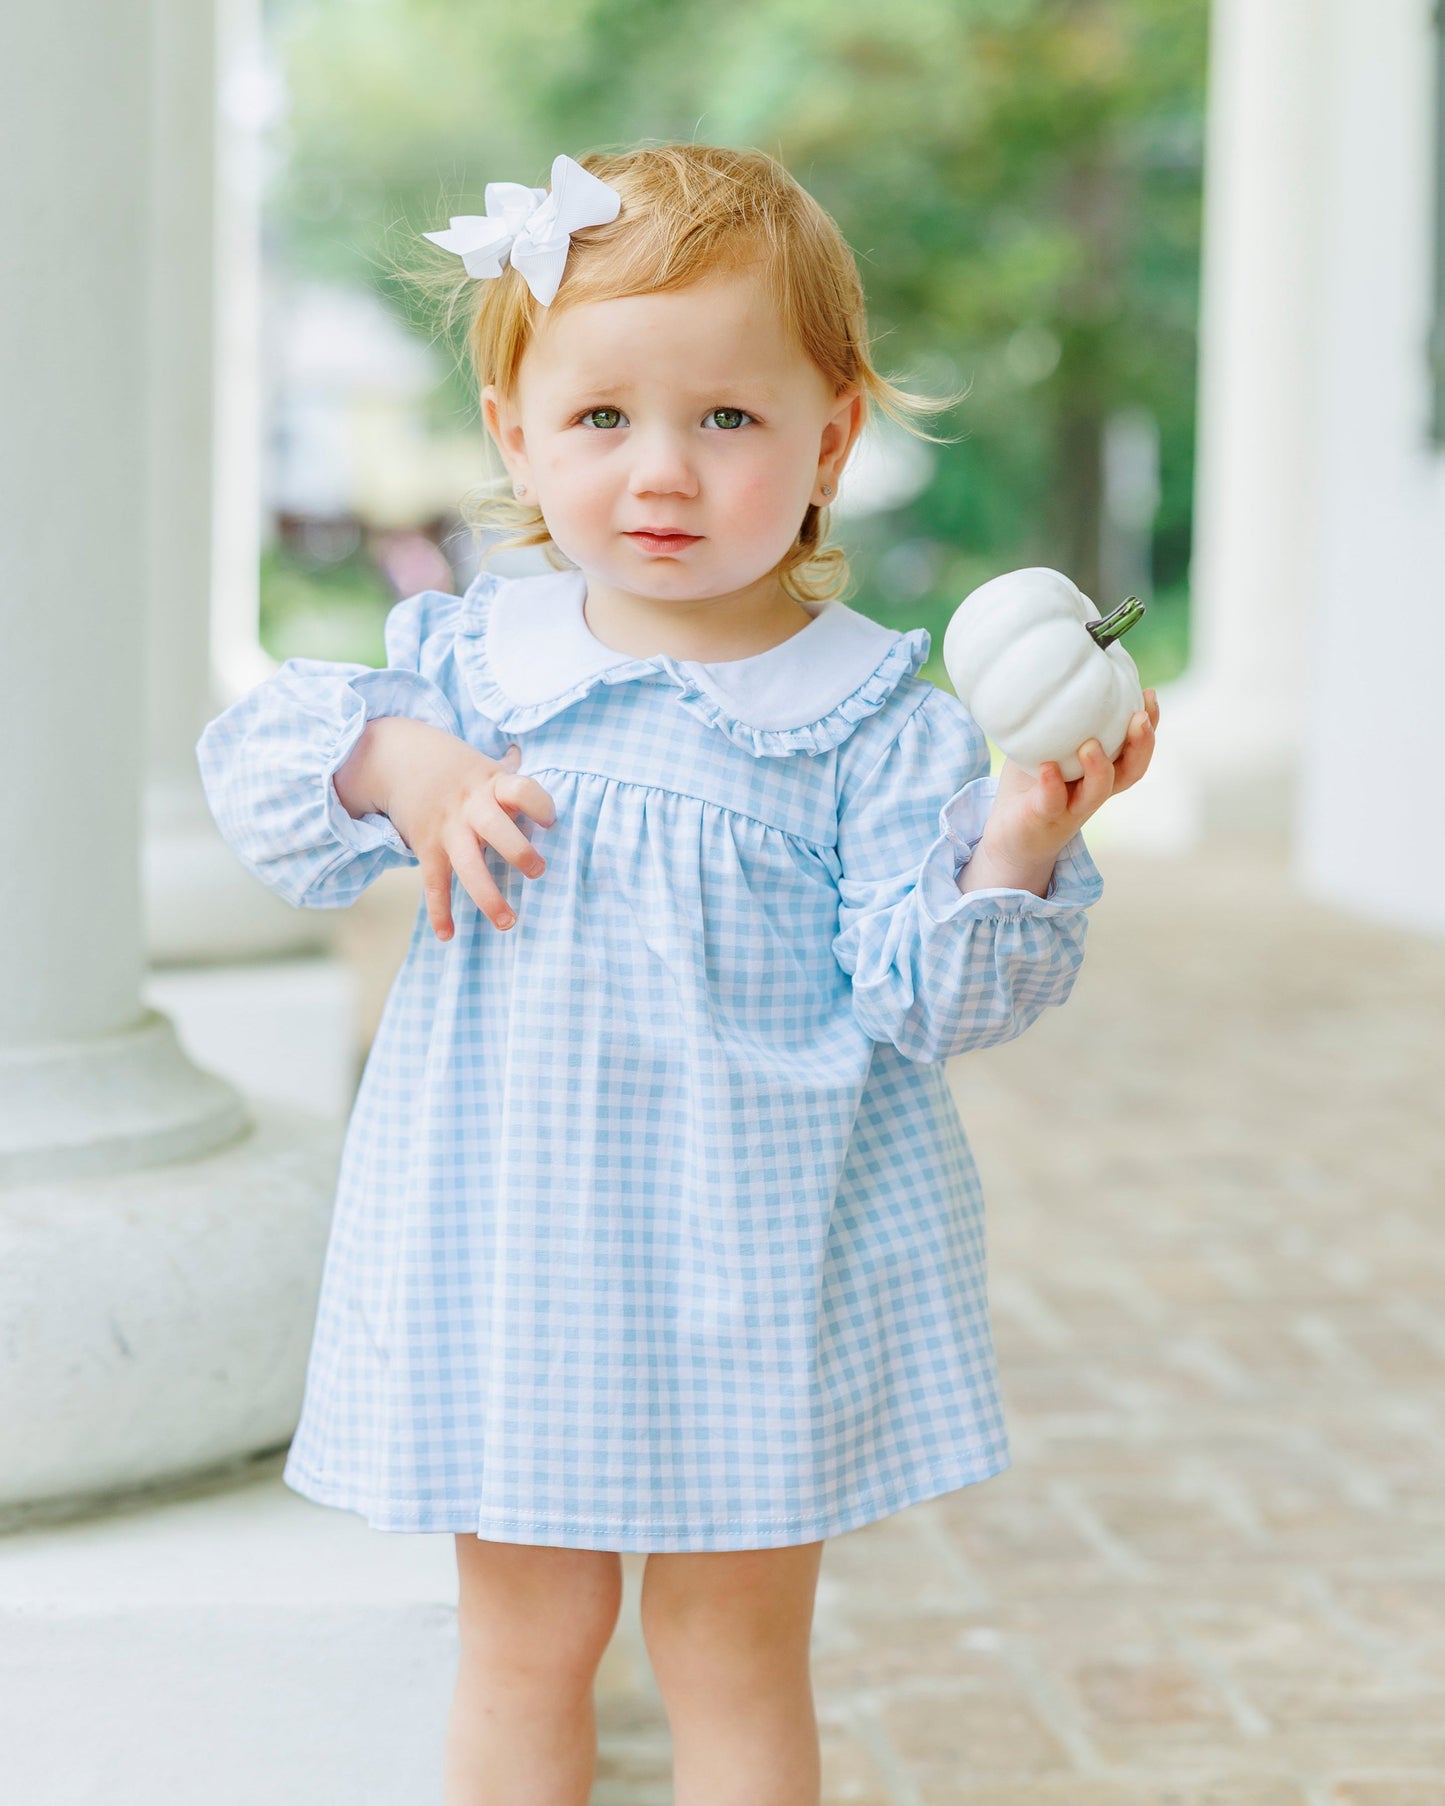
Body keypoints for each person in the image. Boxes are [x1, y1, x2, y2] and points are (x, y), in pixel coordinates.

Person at [197, 142, 1159, 1806]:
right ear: (513, 433)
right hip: (514, 1257)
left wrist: (1009, 838)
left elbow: (925, 998)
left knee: (730, 1645)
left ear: (829, 438)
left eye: (725, 418)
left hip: (753, 1261)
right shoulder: (473, 668)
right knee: (524, 1634)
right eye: (599, 419)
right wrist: (401, 766)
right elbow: (267, 771)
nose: (661, 471)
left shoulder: (875, 720)